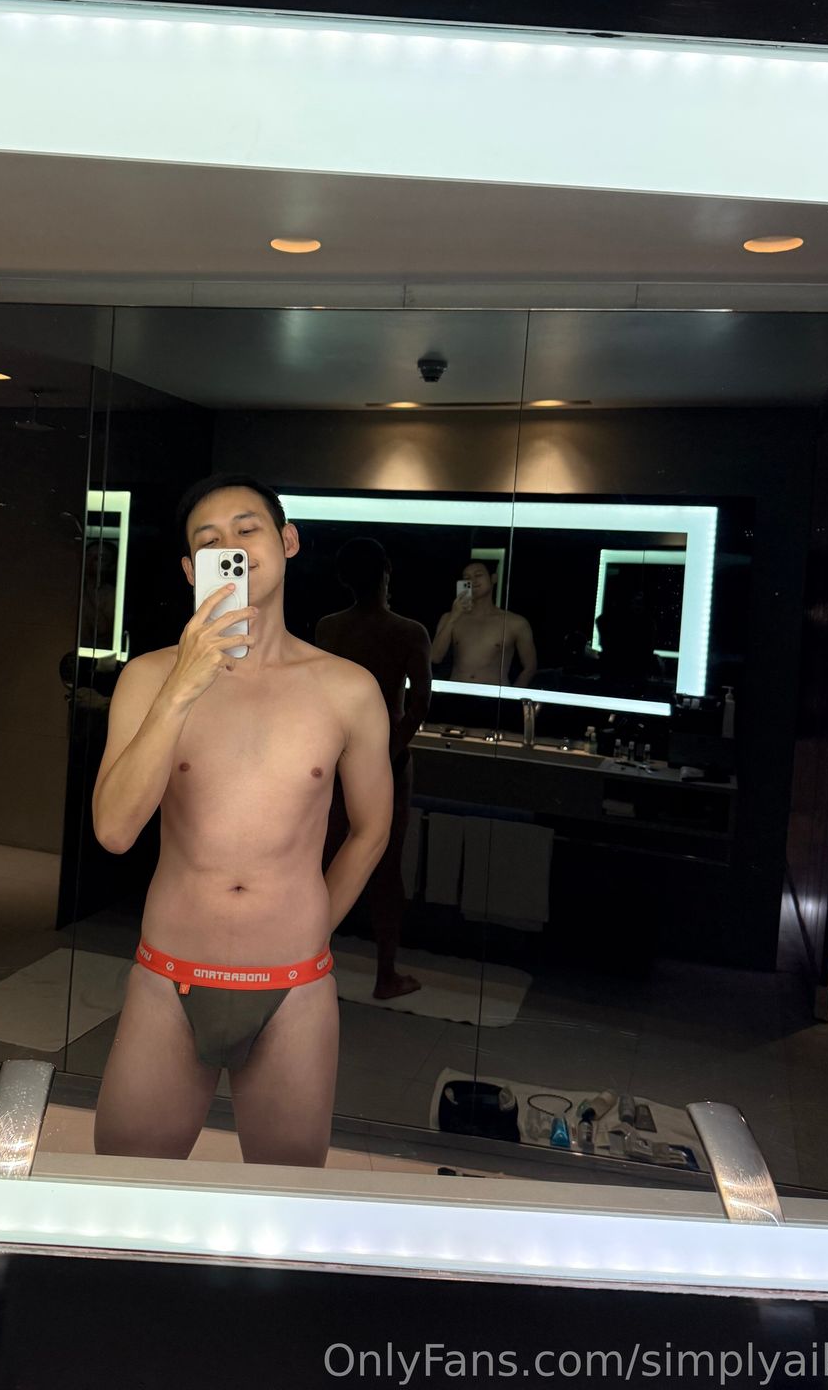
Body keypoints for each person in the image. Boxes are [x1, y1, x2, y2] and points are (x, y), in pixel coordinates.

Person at [91, 475, 393, 1167]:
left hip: (294, 985)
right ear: (190, 571)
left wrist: (314, 923)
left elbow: (372, 828)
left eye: (247, 529)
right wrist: (182, 689)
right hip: (169, 978)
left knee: (285, 1196)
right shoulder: (150, 677)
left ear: (287, 541)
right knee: (127, 1186)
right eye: (210, 541)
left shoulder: (347, 688)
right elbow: (114, 830)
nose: (232, 546)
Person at [315, 537, 431, 999]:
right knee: (385, 865)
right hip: (387, 757)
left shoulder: (329, 628)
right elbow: (418, 705)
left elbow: (320, 696)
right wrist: (387, 755)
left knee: (324, 858)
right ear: (386, 572)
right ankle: (386, 974)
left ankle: (307, 957)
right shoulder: (408, 631)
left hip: (336, 755)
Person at [431, 559, 537, 687]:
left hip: (493, 695)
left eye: (478, 575)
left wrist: (511, 696)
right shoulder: (450, 617)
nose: (473, 581)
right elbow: (435, 657)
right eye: (467, 578)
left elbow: (530, 667)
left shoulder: (515, 623)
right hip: (456, 692)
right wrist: (454, 616)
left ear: (493, 578)